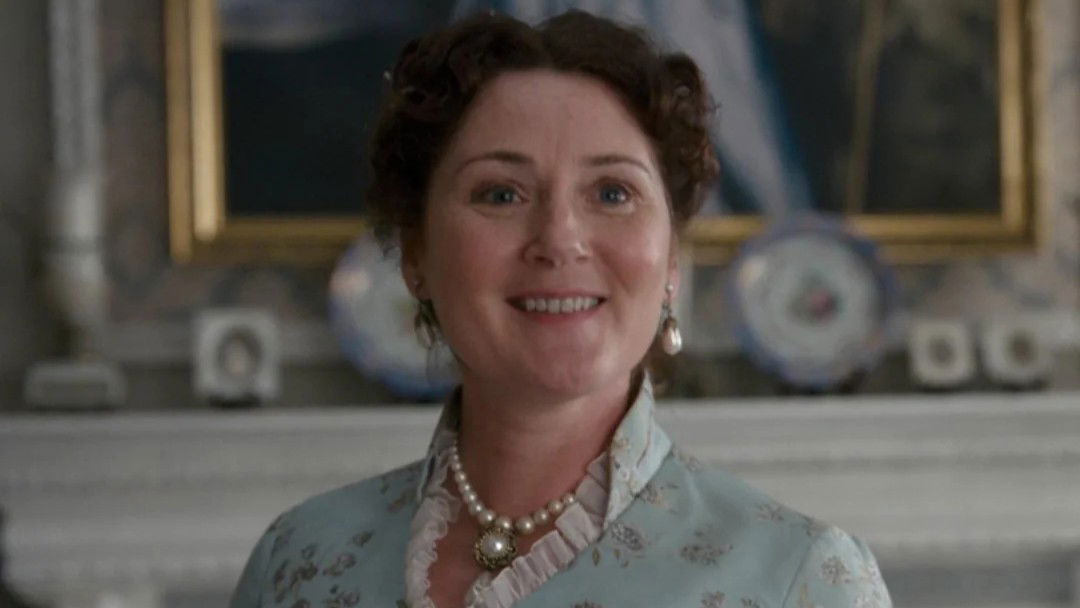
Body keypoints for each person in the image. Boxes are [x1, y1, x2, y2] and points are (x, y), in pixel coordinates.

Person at [230, 10, 892, 608]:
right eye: (501, 194)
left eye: (612, 193)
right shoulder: (298, 562)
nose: (560, 239)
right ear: (416, 253)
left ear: (671, 259)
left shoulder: (801, 580)